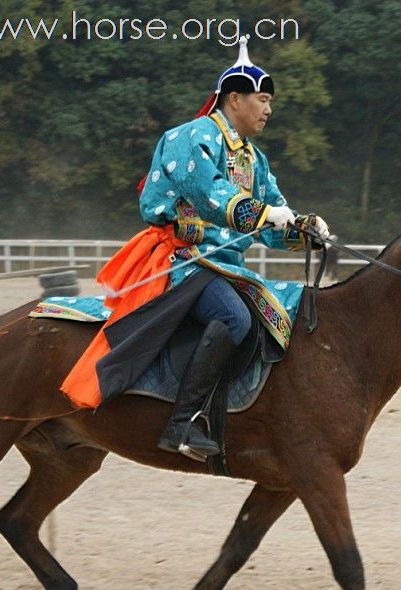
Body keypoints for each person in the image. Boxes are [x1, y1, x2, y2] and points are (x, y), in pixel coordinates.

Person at [61, 36, 330, 461]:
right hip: (182, 261)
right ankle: (183, 423)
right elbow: (209, 195)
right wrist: (263, 214)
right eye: (262, 99)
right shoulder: (191, 136)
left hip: (223, 268)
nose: (269, 109)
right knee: (233, 318)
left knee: (276, 316)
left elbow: (272, 225)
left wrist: (302, 228)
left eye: (270, 102)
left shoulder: (254, 161)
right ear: (234, 98)